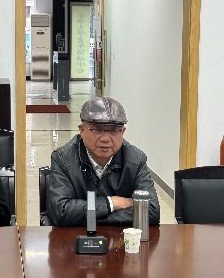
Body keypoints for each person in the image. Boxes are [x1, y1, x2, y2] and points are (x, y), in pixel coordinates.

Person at [45, 97, 160, 227]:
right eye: (97, 130)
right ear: (82, 130)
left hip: (120, 238)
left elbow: (151, 211)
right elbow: (61, 212)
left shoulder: (136, 159)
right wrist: (112, 203)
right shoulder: (63, 158)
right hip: (76, 237)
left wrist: (89, 217)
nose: (105, 139)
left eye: (114, 130)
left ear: (122, 132)